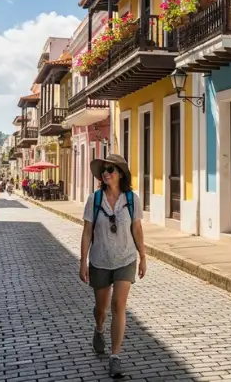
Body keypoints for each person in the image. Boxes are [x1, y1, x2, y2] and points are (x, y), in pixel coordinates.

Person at [79, 154, 146, 378]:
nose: (106, 173)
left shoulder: (132, 199)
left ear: (120, 174)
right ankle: (99, 329)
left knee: (119, 305)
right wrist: (83, 261)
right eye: (104, 170)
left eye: (110, 169)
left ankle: (115, 357)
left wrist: (143, 256)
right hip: (100, 260)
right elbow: (87, 232)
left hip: (126, 259)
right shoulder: (95, 199)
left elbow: (137, 229)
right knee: (102, 309)